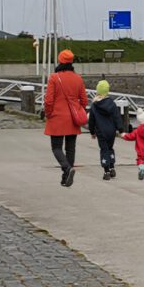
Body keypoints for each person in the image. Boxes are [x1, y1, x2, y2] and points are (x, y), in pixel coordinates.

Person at [43, 49, 89, 185]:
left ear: (60, 61)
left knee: (56, 147)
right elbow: (84, 100)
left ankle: (66, 168)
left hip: (57, 116)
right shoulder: (78, 78)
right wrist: (79, 110)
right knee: (70, 147)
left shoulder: (54, 78)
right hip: (73, 117)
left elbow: (48, 100)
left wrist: (48, 113)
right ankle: (66, 175)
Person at [87, 78, 126, 179]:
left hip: (101, 132)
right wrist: (120, 129)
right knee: (110, 148)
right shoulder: (112, 104)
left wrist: (92, 132)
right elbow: (117, 117)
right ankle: (112, 167)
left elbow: (92, 120)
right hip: (111, 131)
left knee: (104, 150)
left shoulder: (94, 105)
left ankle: (106, 171)